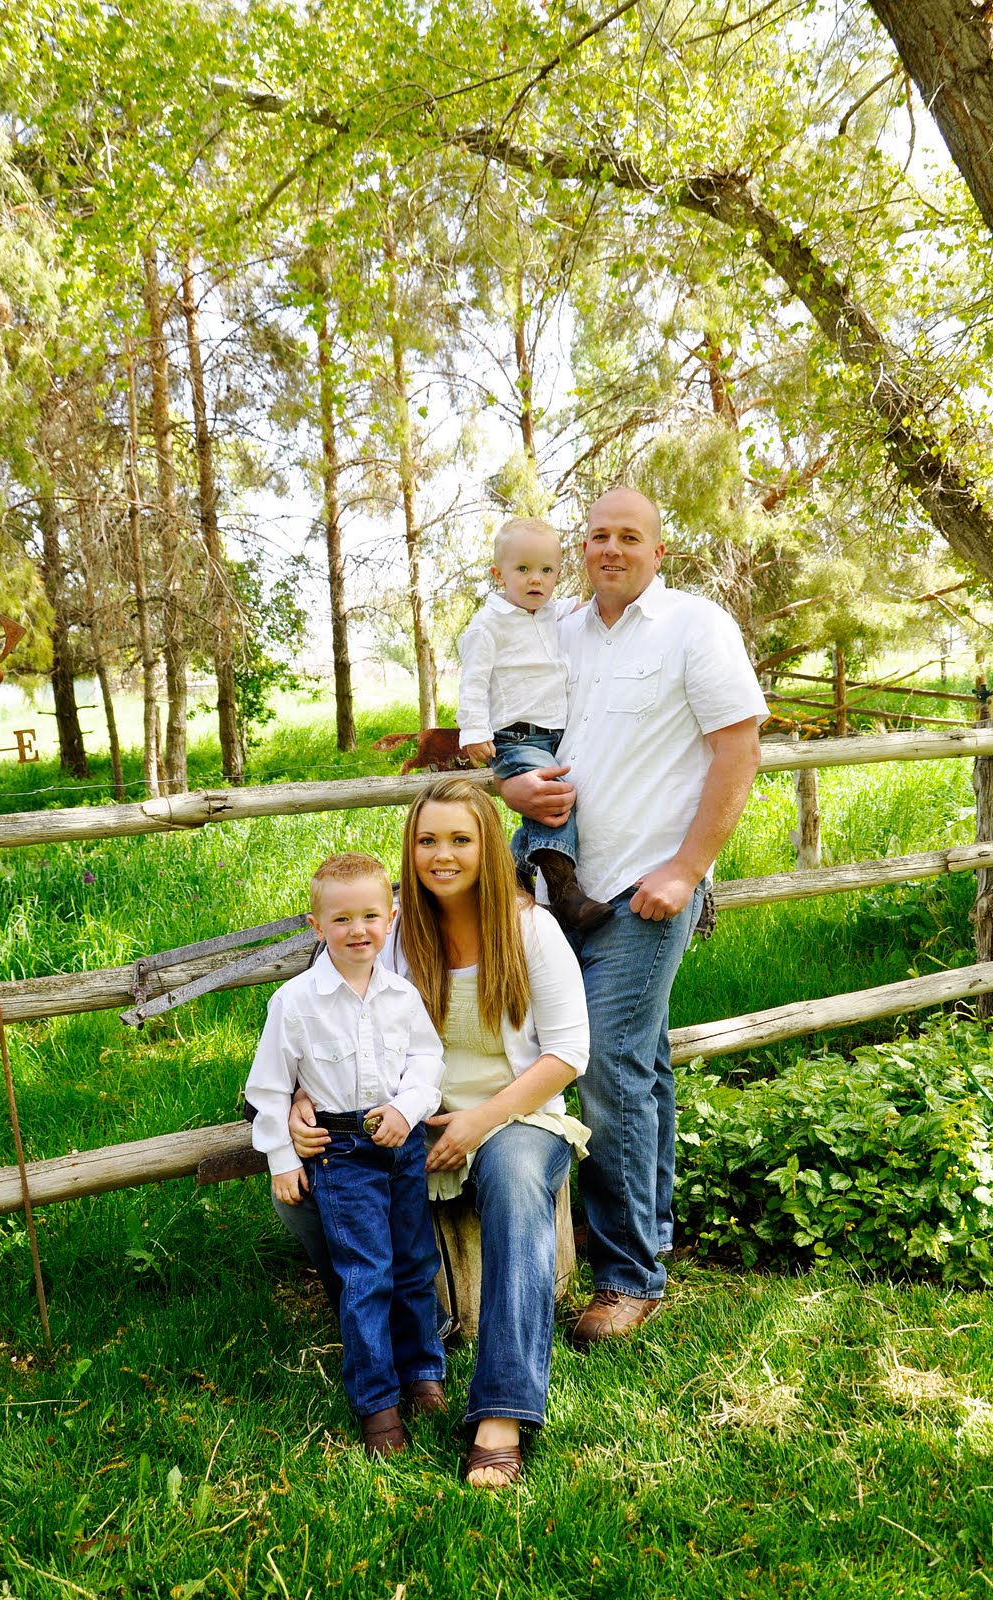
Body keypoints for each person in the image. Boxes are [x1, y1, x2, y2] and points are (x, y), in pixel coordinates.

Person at [497, 486, 768, 1347]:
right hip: (559, 887)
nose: (609, 548)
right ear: (581, 549)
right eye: (596, 536)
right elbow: (519, 732)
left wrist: (686, 870)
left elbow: (737, 748)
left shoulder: (694, 626)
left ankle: (627, 1275)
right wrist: (513, 786)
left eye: (628, 536)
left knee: (605, 1063)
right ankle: (639, 1233)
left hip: (644, 891)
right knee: (636, 1067)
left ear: (657, 550)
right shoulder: (556, 630)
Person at [284, 779, 590, 1488]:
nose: (441, 855)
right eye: (427, 840)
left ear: (489, 846)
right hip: (407, 1118)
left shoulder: (530, 930)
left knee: (515, 1180)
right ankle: (392, 1336)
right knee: (300, 1193)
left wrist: (480, 1121)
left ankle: (501, 1412)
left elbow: (568, 1053)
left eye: (460, 839)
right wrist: (300, 1097)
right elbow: (317, 1020)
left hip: (514, 1114)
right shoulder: (392, 933)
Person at [244, 852, 447, 1458]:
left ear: (391, 918)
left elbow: (427, 1061)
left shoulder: (401, 995)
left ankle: (423, 1373)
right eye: (341, 919)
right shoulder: (295, 1002)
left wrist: (408, 1109)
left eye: (370, 916)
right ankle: (377, 1404)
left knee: (415, 1261)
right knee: (366, 1274)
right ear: (316, 926)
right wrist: (282, 1157)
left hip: (399, 1141)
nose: (358, 930)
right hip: (340, 1152)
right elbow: (268, 1089)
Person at [457, 516, 611, 932]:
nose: (535, 579)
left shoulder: (548, 613)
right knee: (552, 798)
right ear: (499, 575)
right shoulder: (488, 625)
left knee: (554, 796)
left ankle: (513, 866)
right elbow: (473, 681)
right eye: (523, 569)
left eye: (546, 570)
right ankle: (564, 892)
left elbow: (580, 607)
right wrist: (474, 732)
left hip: (552, 735)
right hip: (514, 735)